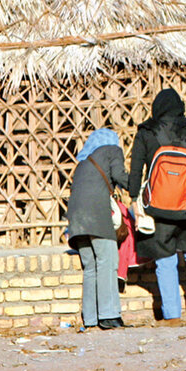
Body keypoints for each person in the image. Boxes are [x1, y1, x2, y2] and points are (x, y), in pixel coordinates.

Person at [129, 88, 186, 326]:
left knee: (165, 259)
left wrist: (133, 199)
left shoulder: (146, 132)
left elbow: (136, 168)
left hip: (157, 208)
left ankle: (172, 315)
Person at [67, 128, 130, 330]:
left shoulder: (83, 163)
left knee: (90, 267)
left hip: (77, 220)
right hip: (97, 216)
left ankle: (91, 318)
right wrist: (138, 185)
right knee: (107, 262)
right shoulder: (111, 150)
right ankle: (109, 316)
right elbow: (120, 177)